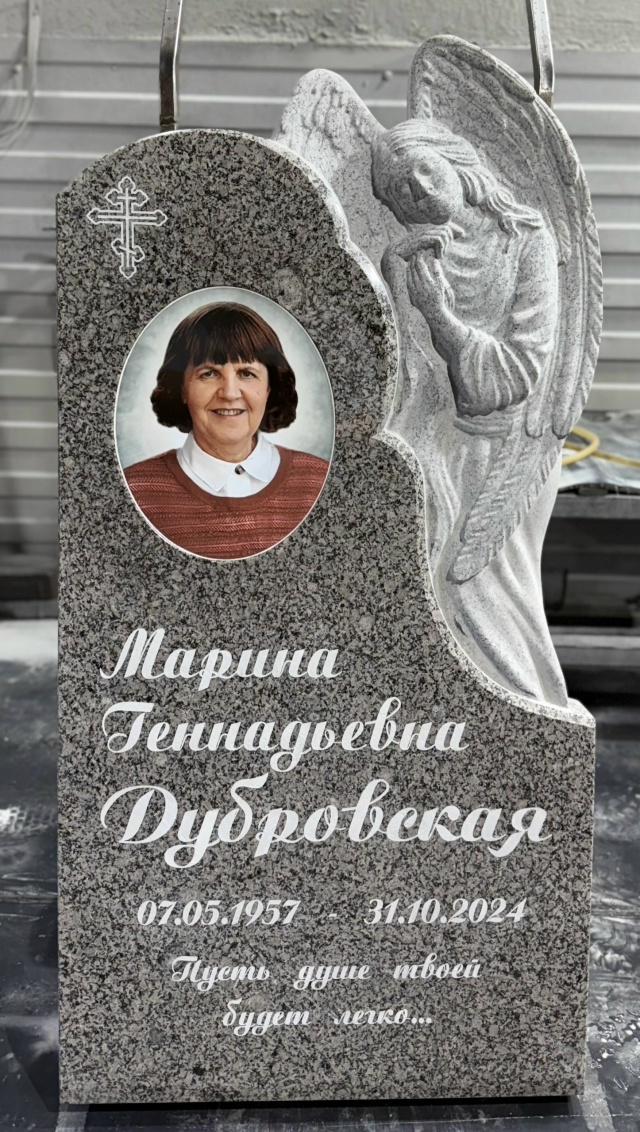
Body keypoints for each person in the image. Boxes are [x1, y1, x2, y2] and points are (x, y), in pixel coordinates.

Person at [124, 302, 330, 559]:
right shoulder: (134, 490)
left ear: (270, 387)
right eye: (209, 374)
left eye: (246, 373)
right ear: (181, 389)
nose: (230, 393)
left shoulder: (319, 481)